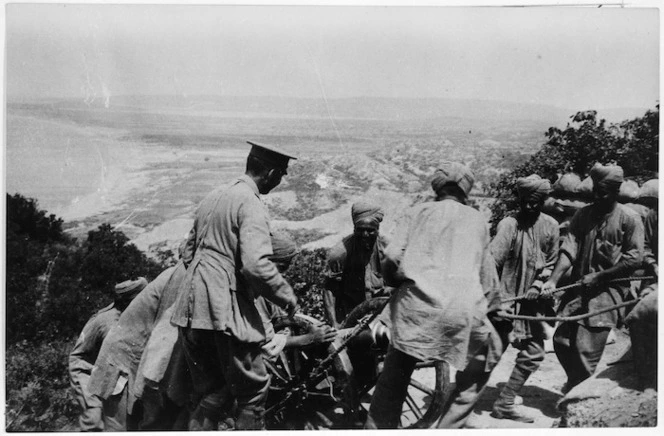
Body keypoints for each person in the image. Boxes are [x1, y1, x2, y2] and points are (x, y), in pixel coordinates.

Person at [170, 141, 299, 430]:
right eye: (281, 175)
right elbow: (256, 265)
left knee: (211, 392)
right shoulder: (249, 203)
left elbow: (188, 253)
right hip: (222, 314)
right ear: (270, 173)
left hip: (190, 311)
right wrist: (287, 298)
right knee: (253, 392)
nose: (279, 182)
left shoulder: (214, 196)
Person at [365, 162, 498, 429]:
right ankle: (449, 426)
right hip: (460, 314)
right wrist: (493, 307)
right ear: (466, 191)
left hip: (415, 312)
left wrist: (396, 281)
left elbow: (391, 256)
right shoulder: (478, 221)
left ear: (437, 188)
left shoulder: (418, 212)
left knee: (392, 382)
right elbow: (488, 280)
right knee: (486, 359)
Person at [186, 232, 337, 430]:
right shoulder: (237, 289)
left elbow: (278, 319)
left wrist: (296, 326)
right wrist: (307, 339)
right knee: (215, 405)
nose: (281, 277)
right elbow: (260, 345)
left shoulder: (260, 286)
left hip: (240, 358)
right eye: (280, 269)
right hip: (219, 359)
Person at [541, 163, 644, 393]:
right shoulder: (583, 214)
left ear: (616, 192)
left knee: (585, 352)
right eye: (595, 191)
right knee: (561, 341)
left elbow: (634, 259)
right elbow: (569, 249)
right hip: (579, 289)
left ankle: (581, 404)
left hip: (608, 294)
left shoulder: (630, 219)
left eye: (603, 192)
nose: (597, 197)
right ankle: (577, 385)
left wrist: (600, 276)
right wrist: (553, 280)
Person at [488, 174, 559, 422]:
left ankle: (505, 402)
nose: (529, 206)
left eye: (535, 202)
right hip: (506, 300)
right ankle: (461, 398)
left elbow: (551, 261)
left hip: (533, 303)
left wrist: (540, 284)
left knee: (534, 352)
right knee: (491, 353)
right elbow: (492, 261)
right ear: (520, 199)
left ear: (543, 201)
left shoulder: (550, 225)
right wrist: (491, 296)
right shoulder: (509, 224)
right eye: (525, 201)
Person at [87, 263, 187, 431]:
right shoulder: (181, 276)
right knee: (118, 428)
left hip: (135, 361)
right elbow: (165, 332)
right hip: (122, 363)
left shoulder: (182, 272)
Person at [68, 278, 147, 431]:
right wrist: (89, 398)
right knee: (95, 421)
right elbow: (78, 357)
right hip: (95, 382)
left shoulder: (141, 318)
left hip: (124, 385)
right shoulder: (103, 321)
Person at [323, 201, 389, 328]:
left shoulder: (388, 249)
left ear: (377, 230)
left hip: (383, 314)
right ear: (354, 229)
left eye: (370, 231)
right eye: (360, 230)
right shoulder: (340, 253)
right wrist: (334, 323)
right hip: (351, 315)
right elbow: (330, 289)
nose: (365, 235)